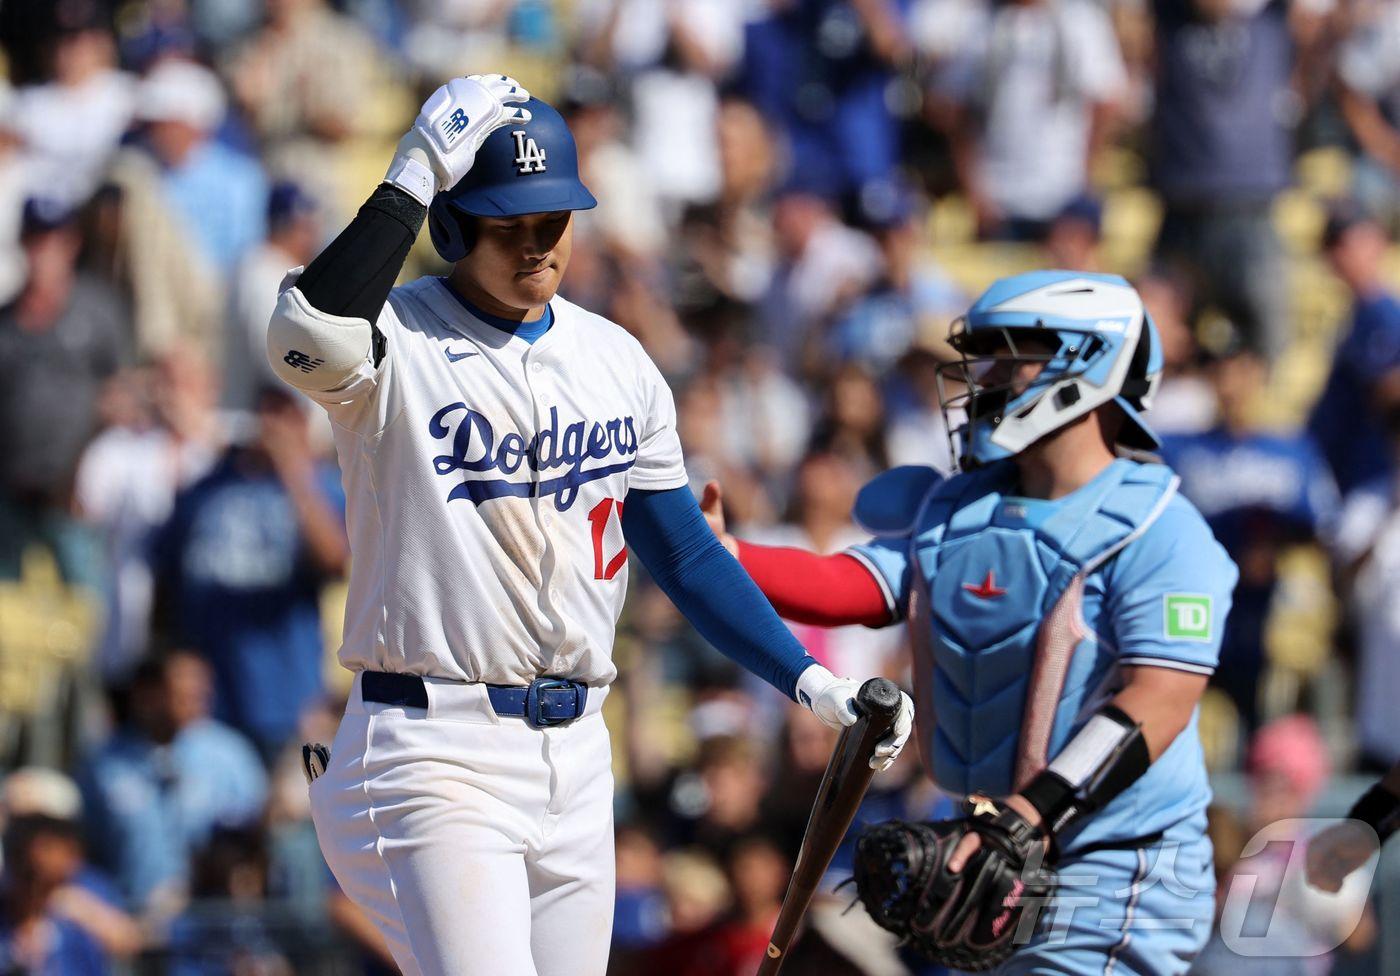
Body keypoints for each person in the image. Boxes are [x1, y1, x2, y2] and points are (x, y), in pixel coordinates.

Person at [264, 74, 913, 976]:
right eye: (507, 223)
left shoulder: (616, 359)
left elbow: (681, 549)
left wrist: (810, 683)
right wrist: (414, 171)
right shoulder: (394, 341)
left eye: (553, 218)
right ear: (452, 227)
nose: (536, 243)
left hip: (575, 754)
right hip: (434, 746)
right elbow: (305, 332)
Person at [705, 271, 1238, 973]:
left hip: (1116, 867)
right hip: (991, 860)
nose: (980, 378)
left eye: (1006, 356)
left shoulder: (1162, 529)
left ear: (1086, 361)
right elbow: (853, 585)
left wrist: (1028, 813)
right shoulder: (960, 509)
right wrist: (727, 554)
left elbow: (1159, 699)